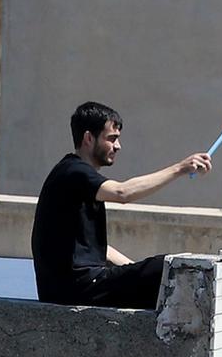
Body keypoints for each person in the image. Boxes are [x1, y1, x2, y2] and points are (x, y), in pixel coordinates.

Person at [31, 102, 212, 308]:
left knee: (169, 269)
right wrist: (180, 168)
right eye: (112, 139)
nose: (118, 146)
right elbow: (122, 192)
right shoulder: (73, 172)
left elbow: (100, 249)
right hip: (77, 289)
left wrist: (137, 271)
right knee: (173, 270)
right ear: (89, 138)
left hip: (81, 285)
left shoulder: (75, 178)